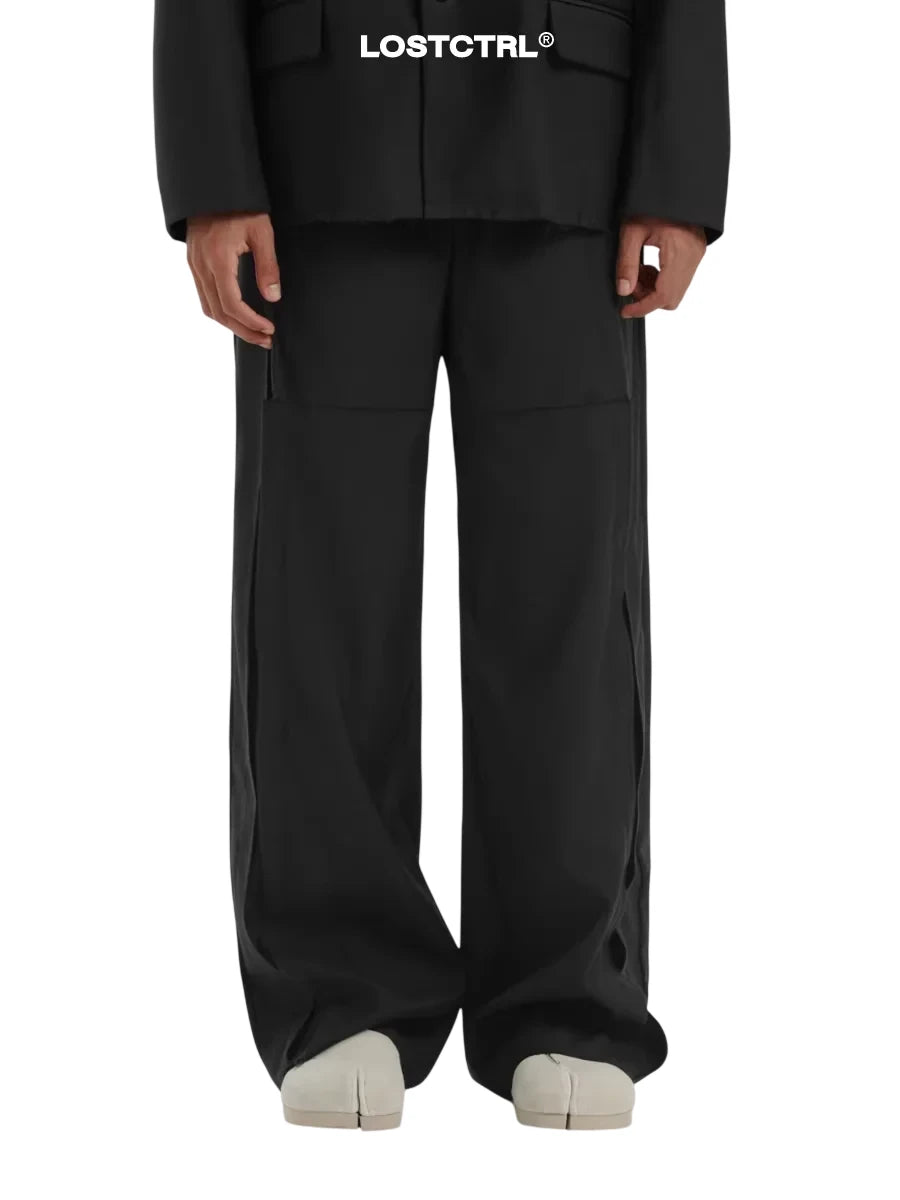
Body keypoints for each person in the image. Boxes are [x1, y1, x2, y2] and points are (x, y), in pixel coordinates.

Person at [154, 0, 729, 1131]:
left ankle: (565, 1000)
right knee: (318, 596)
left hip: (570, 140)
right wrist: (214, 168)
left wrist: (676, 163)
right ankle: (342, 994)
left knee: (567, 599)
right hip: (320, 139)